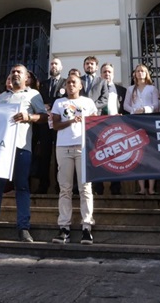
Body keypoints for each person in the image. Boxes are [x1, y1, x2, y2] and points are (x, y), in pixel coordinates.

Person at [0, 64, 46, 243]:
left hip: (22, 147)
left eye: (18, 72)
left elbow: (44, 117)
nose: (15, 74)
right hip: (0, 149)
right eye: (12, 72)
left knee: (22, 187)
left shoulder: (33, 95)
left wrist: (28, 117)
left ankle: (23, 228)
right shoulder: (0, 97)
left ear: (26, 78)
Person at [51, 72, 97, 244]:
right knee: (65, 188)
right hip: (63, 147)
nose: (70, 85)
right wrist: (71, 121)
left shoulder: (88, 103)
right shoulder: (59, 102)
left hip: (83, 147)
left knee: (85, 188)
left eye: (74, 82)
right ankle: (64, 227)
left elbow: (96, 123)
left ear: (80, 86)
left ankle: (87, 227)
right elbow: (55, 125)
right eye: (68, 82)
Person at [124, 64, 160, 195]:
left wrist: (145, 109)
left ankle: (151, 188)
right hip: (135, 122)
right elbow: (126, 105)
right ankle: (141, 188)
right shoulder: (130, 89)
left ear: (146, 74)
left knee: (150, 154)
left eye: (143, 71)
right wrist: (135, 111)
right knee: (138, 153)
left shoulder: (152, 88)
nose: (140, 73)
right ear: (135, 74)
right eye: (138, 71)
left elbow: (156, 105)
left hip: (148, 121)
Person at [93, 62, 125, 196]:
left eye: (109, 72)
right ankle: (98, 188)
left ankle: (116, 188)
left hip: (116, 129)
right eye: (104, 72)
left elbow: (125, 110)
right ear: (100, 74)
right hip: (98, 128)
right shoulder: (95, 89)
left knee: (116, 157)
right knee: (98, 157)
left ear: (113, 74)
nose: (107, 74)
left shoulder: (121, 90)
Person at [35, 58, 65, 194]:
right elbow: (38, 100)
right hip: (45, 124)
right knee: (44, 155)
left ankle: (59, 186)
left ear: (61, 67)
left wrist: (52, 105)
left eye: (56, 64)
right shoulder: (43, 84)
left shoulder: (66, 82)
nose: (53, 66)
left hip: (59, 123)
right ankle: (43, 185)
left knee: (59, 156)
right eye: (52, 64)